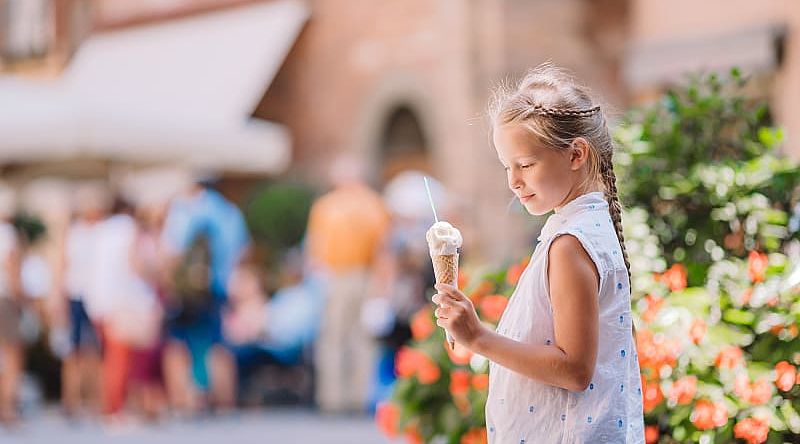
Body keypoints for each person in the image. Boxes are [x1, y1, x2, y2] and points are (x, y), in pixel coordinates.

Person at [432, 64, 645, 443]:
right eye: (506, 167)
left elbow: (575, 369)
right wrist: (470, 337)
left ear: (576, 153)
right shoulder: (579, 230)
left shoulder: (570, 244)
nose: (513, 181)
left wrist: (480, 337)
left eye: (526, 164)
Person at [306, 155, 390, 413]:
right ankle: (346, 397)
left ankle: (344, 398)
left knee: (345, 338)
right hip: (344, 275)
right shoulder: (371, 205)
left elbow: (382, 249)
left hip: (354, 275)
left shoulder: (333, 206)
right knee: (347, 338)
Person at [0, 186, 24, 425]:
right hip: (4, 299)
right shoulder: (6, 232)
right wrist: (21, 298)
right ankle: (8, 408)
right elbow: (11, 268)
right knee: (12, 355)